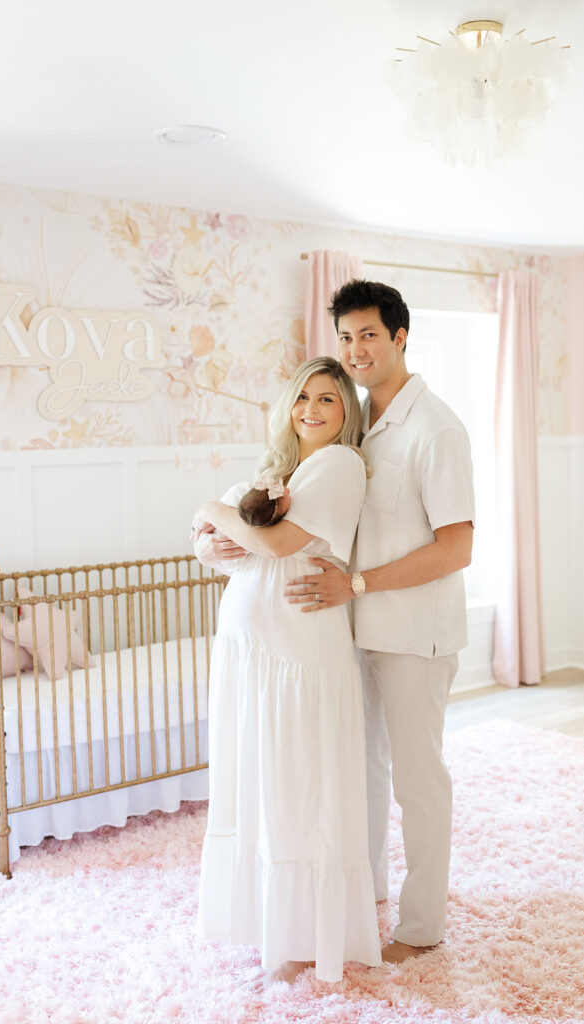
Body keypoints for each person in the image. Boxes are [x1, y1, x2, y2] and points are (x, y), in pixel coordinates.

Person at [283, 281, 475, 966]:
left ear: (399, 337)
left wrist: (356, 583)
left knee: (417, 780)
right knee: (361, 770)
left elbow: (457, 548)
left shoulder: (436, 429)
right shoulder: (358, 422)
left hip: (414, 633)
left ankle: (421, 927)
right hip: (355, 628)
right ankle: (365, 898)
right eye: (345, 337)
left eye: (368, 334)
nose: (355, 349)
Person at [192, 355, 382, 987]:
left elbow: (271, 543)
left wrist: (210, 513)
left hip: (299, 653)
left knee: (299, 789)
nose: (312, 410)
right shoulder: (278, 469)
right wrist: (213, 538)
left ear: (346, 412)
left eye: (328, 399)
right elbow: (225, 548)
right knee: (259, 784)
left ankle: (305, 939)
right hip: (251, 651)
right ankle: (267, 921)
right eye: (303, 397)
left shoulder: (339, 465)